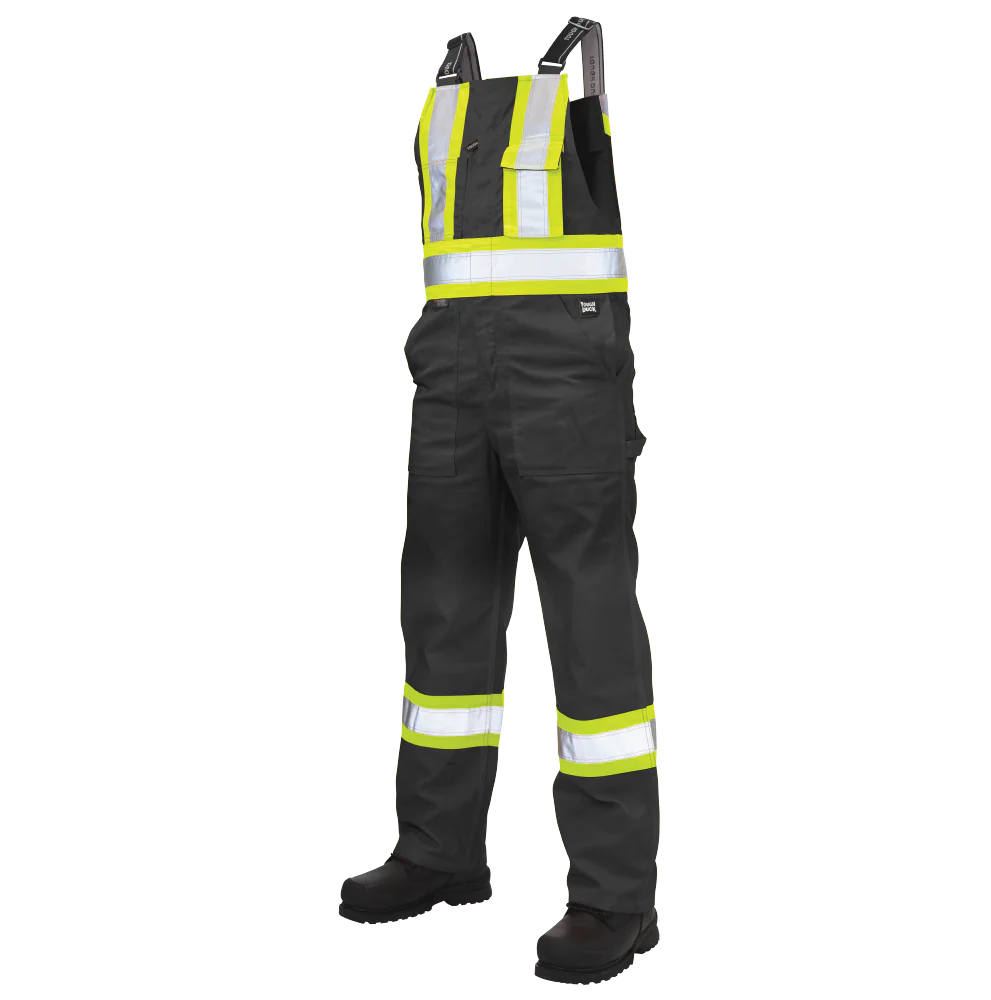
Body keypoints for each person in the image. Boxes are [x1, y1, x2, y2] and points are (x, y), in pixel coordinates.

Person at [340, 21, 659, 985]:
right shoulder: (444, 94)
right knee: (443, 607)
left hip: (563, 367)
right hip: (449, 368)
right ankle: (439, 850)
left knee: (590, 619)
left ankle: (614, 896)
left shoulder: (581, 86)